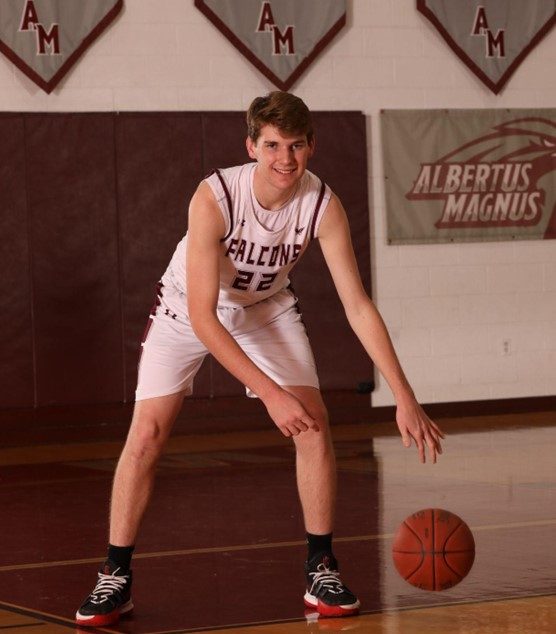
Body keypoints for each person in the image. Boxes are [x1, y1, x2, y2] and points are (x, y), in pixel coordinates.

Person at [75, 91, 444, 627]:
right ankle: (115, 574)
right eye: (272, 145)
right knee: (147, 434)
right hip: (187, 308)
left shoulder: (322, 205)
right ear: (251, 146)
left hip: (265, 308)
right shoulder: (215, 197)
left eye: (296, 146)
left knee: (313, 424)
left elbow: (358, 306)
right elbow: (205, 318)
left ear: (312, 146)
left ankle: (321, 567)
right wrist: (271, 395)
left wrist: (404, 397)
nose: (285, 159)